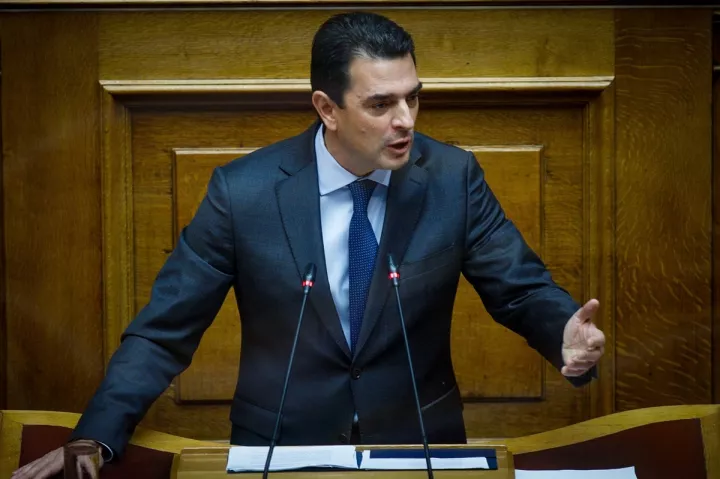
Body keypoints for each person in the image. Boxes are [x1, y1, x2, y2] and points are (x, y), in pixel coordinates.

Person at [13, 11, 605, 478]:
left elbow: (520, 288)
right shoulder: (242, 193)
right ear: (327, 108)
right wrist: (96, 435)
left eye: (413, 97)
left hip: (418, 448)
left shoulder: (453, 178)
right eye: (381, 104)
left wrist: (564, 333)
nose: (406, 120)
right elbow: (164, 331)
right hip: (281, 451)